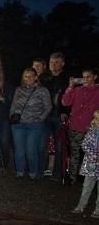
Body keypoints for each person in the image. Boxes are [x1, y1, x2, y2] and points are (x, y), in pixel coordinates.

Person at [10, 67, 51, 179]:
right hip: (19, 124)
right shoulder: (19, 89)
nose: (27, 79)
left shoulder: (42, 90)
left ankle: (33, 172)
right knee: (19, 150)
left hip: (34, 124)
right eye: (25, 76)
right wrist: (12, 116)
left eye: (30, 76)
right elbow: (14, 104)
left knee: (31, 150)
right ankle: (19, 172)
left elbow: (48, 107)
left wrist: (40, 119)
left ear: (35, 77)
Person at [61, 68, 99, 182]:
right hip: (76, 126)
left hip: (92, 127)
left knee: (91, 154)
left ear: (95, 77)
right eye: (84, 77)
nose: (86, 79)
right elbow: (65, 102)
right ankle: (72, 176)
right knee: (74, 152)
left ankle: (89, 177)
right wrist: (70, 87)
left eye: (88, 76)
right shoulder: (77, 90)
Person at [40, 52, 70, 181]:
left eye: (56, 62)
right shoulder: (43, 78)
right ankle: (41, 170)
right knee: (43, 143)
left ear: (62, 63)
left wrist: (65, 111)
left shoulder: (67, 79)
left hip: (59, 115)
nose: (53, 65)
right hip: (45, 115)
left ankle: (57, 173)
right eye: (51, 62)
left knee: (59, 145)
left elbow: (68, 97)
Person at [71, 109, 99, 218]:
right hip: (91, 163)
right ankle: (81, 206)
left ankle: (97, 210)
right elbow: (85, 146)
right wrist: (95, 156)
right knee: (87, 185)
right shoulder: (92, 132)